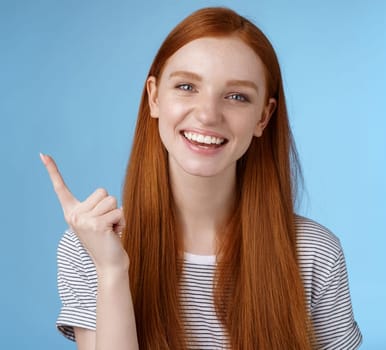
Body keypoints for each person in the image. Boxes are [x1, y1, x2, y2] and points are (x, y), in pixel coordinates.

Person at [40, 7, 362, 350]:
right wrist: (111, 271)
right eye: (187, 86)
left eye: (237, 96)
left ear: (263, 118)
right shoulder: (91, 247)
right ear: (154, 97)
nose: (208, 114)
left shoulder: (314, 253)